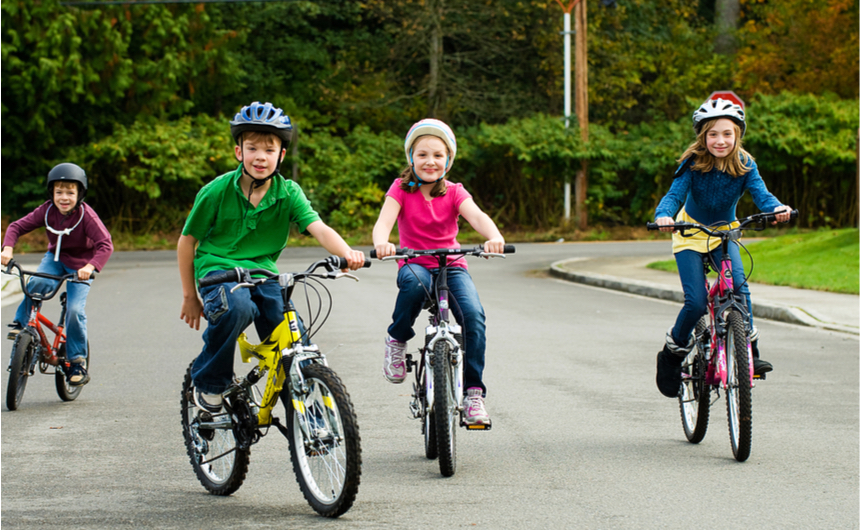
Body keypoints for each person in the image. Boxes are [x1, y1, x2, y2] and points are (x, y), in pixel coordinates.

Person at [178, 101, 365, 413]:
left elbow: (318, 228)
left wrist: (346, 253)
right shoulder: (216, 191)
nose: (260, 157)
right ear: (239, 152)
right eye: (252, 148)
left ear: (281, 154)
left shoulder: (288, 192)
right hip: (218, 271)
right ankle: (210, 382)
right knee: (237, 308)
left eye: (269, 149)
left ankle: (311, 422)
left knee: (294, 338)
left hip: (263, 274)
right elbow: (187, 242)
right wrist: (190, 296)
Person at [653, 98, 792, 398]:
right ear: (702, 136)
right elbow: (674, 195)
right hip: (690, 233)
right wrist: (663, 216)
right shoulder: (692, 163)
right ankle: (671, 355)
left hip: (725, 234)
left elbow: (762, 195)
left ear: (737, 135)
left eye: (727, 133)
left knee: (739, 289)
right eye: (713, 134)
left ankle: (749, 352)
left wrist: (777, 208)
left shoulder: (745, 164)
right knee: (697, 303)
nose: (720, 140)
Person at [372, 118, 505, 426]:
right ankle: (397, 339)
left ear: (448, 160)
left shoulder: (455, 192)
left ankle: (473, 394)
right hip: (415, 262)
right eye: (422, 155)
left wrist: (494, 237)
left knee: (473, 316)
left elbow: (478, 216)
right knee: (414, 287)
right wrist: (383, 243)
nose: (430, 161)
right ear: (411, 159)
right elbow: (384, 222)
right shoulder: (401, 189)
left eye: (437, 155)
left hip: (452, 265)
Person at [1, 163, 113, 386]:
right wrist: (7, 248)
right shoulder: (47, 210)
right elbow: (15, 227)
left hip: (80, 266)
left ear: (79, 194)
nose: (64, 197)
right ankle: (22, 324)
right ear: (51, 193)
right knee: (35, 284)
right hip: (55, 259)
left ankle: (77, 361)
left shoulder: (87, 217)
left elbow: (105, 245)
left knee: (74, 310)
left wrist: (90, 267)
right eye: (59, 192)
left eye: (70, 192)